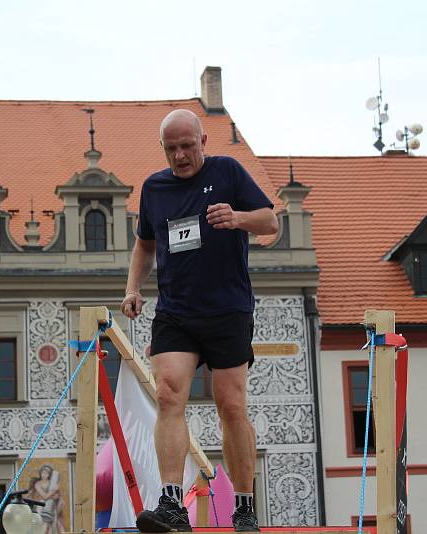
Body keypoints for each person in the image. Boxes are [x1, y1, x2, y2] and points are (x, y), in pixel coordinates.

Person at [121, 109, 278, 532]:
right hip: (177, 311)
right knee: (169, 395)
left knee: (231, 406)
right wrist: (133, 288)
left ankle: (244, 507)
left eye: (186, 146)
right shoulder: (155, 188)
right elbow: (145, 245)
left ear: (203, 140)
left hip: (228, 309)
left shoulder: (227, 172)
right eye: (171, 149)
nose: (180, 155)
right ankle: (172, 505)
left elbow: (271, 222)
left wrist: (238, 218)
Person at [27, 464, 65, 534]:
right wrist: (53, 492)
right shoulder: (38, 484)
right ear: (40, 473)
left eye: (46, 473)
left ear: (49, 474)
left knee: (51, 524)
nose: (44, 475)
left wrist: (56, 496)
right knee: (45, 523)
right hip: (41, 506)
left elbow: (57, 495)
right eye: (43, 473)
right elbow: (44, 496)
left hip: (52, 505)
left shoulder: (52, 483)